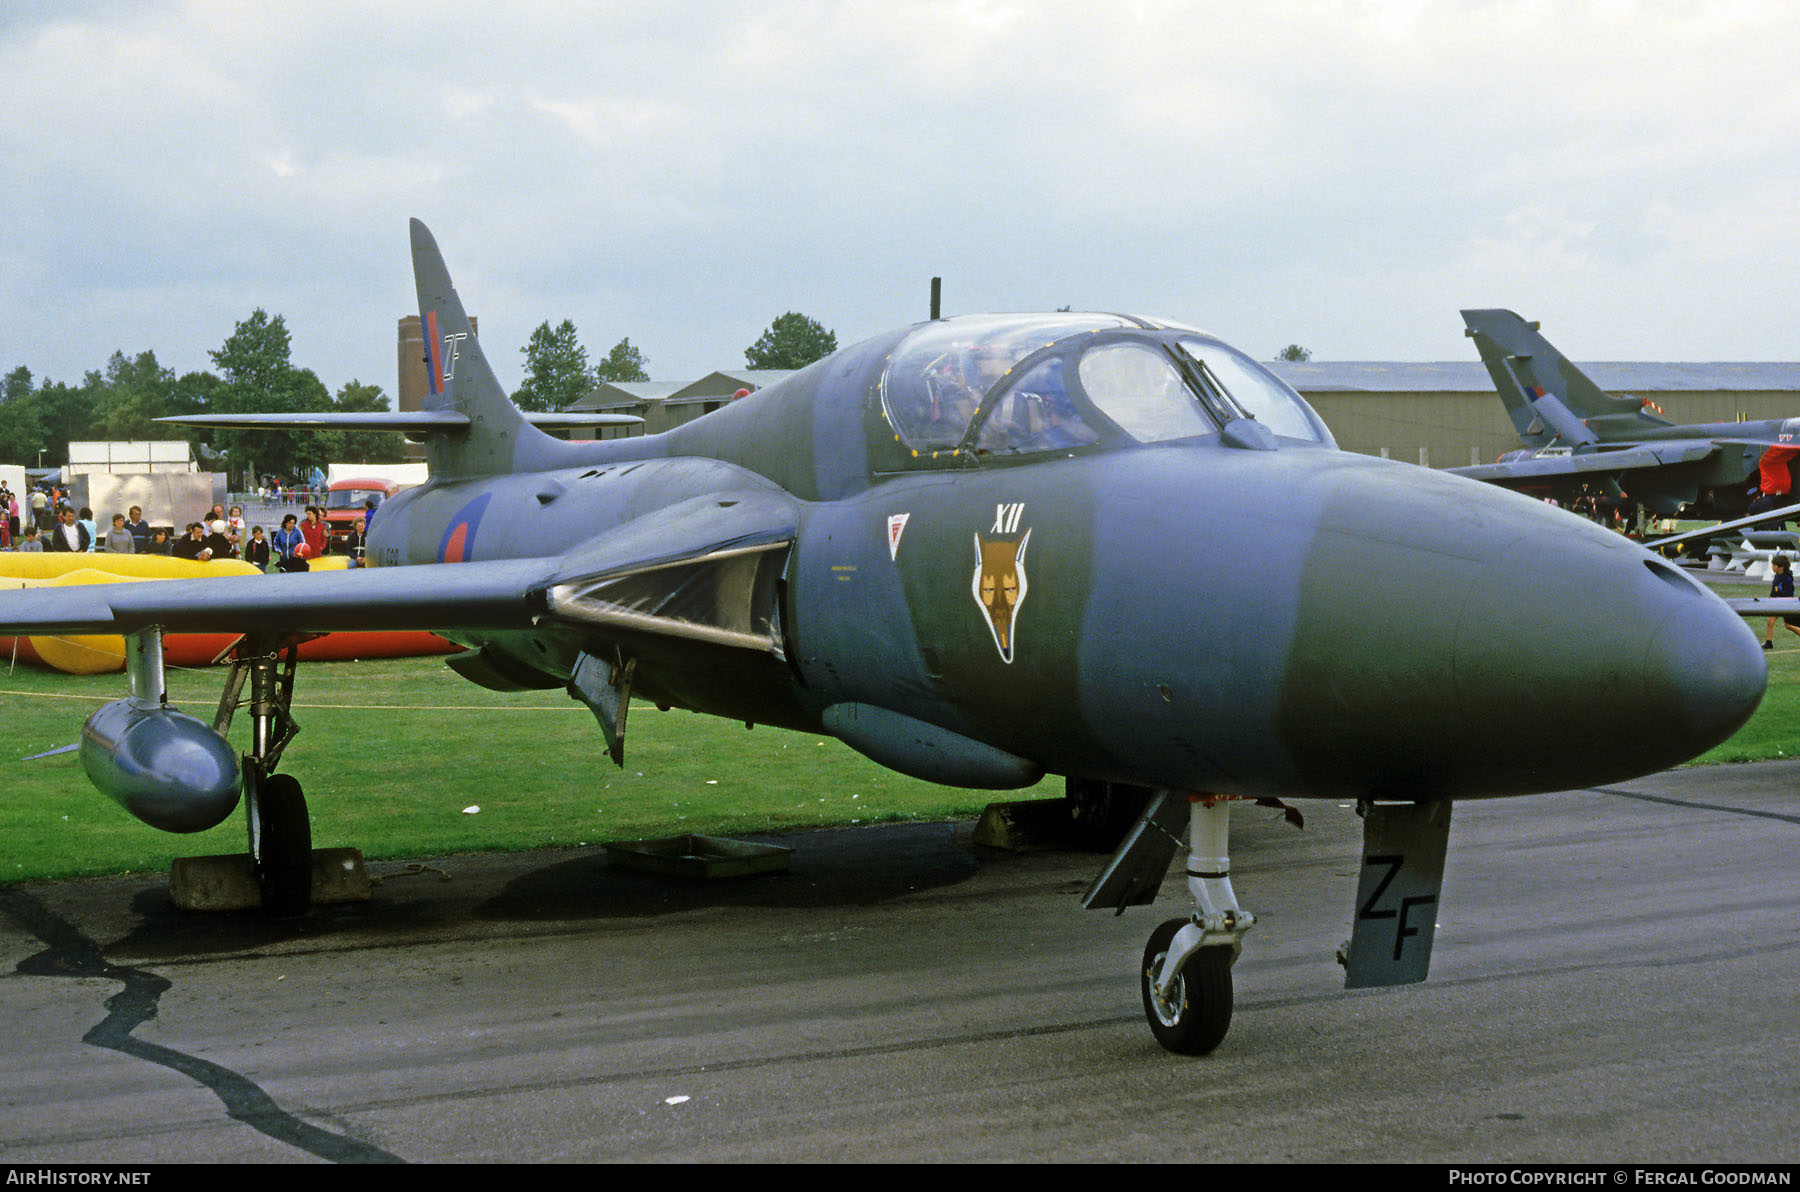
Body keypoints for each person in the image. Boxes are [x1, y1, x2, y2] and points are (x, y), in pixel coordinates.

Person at [1765, 555, 1800, 650]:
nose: (1772, 567)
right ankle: (1769, 643)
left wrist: (1779, 591)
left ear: (1781, 567)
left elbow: (1789, 592)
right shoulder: (1777, 576)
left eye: (1774, 565)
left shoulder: (1787, 579)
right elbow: (1774, 591)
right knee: (1770, 621)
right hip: (1777, 604)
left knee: (1788, 625)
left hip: (1786, 605)